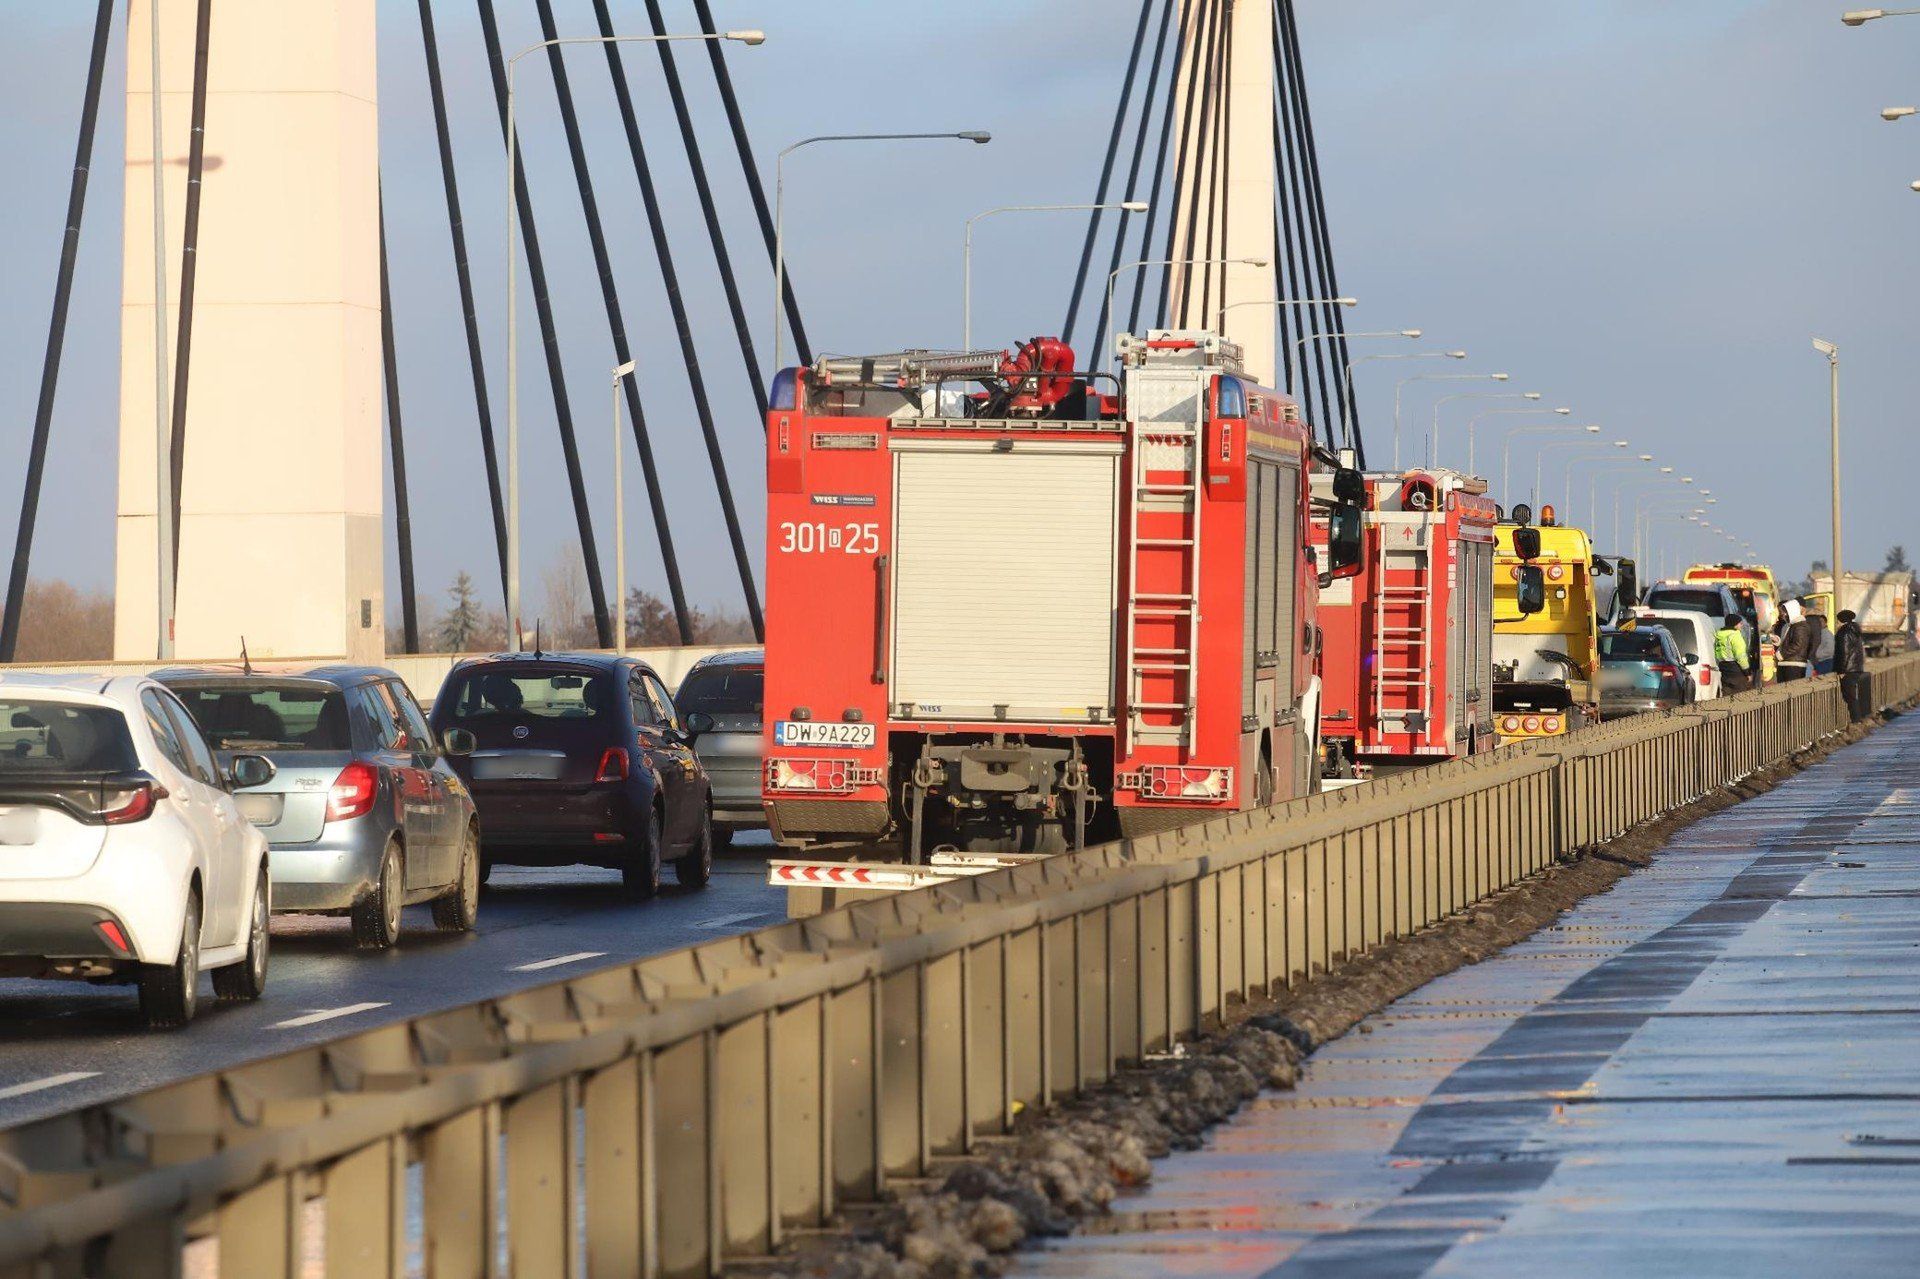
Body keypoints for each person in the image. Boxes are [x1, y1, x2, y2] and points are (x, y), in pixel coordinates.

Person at [1837, 609, 1871, 722]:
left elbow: (1844, 652)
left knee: (1850, 697)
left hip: (1848, 669)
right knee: (1854, 696)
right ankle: (1861, 718)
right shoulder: (1855, 630)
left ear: (1842, 620)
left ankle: (1856, 721)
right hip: (1856, 668)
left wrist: (1841, 670)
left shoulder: (1844, 632)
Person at [1776, 598, 1815, 682]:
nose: (1784, 614)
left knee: (1791, 692)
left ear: (1792, 611)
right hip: (1787, 663)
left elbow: (1798, 645)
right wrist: (1778, 641)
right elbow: (1790, 641)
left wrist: (1781, 654)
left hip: (1794, 666)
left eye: (1785, 612)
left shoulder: (1801, 626)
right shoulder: (1792, 625)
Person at [1714, 618, 1752, 693]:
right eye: (1740, 623)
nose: (1742, 625)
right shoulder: (1735, 635)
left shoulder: (1719, 635)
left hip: (1723, 669)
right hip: (1736, 670)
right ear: (1734, 624)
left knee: (1726, 695)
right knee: (1739, 696)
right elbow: (1741, 657)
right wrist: (1747, 672)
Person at [1811, 610, 1836, 676]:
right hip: (1819, 662)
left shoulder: (1827, 634)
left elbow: (1830, 650)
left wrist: (1817, 655)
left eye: (1821, 621)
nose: (1819, 623)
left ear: (1825, 623)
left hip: (1826, 662)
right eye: (1818, 622)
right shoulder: (1819, 633)